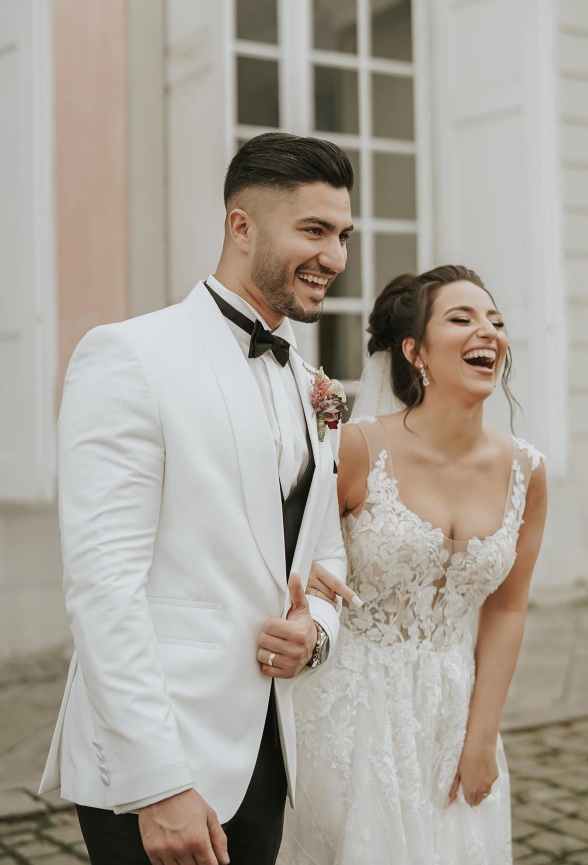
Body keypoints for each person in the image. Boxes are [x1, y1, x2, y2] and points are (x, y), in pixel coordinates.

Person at [39, 132, 354, 865]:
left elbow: (326, 553)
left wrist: (317, 636)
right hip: (160, 759)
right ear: (240, 226)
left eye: (342, 235)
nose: (335, 256)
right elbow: (102, 588)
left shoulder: (312, 384)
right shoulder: (129, 356)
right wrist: (158, 783)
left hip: (269, 751)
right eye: (313, 230)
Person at [278, 265, 547, 865]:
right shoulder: (357, 448)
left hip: (455, 711)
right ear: (415, 351)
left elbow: (507, 608)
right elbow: (287, 555)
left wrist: (481, 737)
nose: (489, 332)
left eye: (496, 322)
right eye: (462, 318)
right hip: (350, 713)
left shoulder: (527, 471)